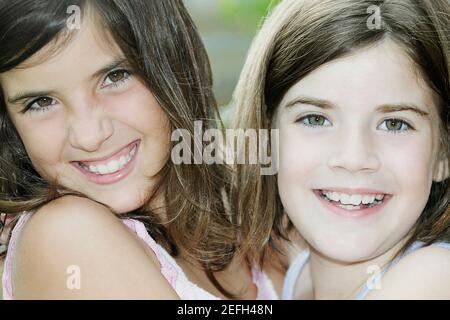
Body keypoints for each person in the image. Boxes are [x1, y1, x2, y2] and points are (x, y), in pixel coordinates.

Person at [0, 0, 280, 299]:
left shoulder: (239, 206)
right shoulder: (67, 234)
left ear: (173, 65)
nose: (90, 136)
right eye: (41, 102)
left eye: (115, 77)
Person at [232, 0, 450, 299]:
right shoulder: (296, 275)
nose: (353, 158)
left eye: (395, 124)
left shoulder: (432, 277)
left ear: (443, 153)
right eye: (315, 119)